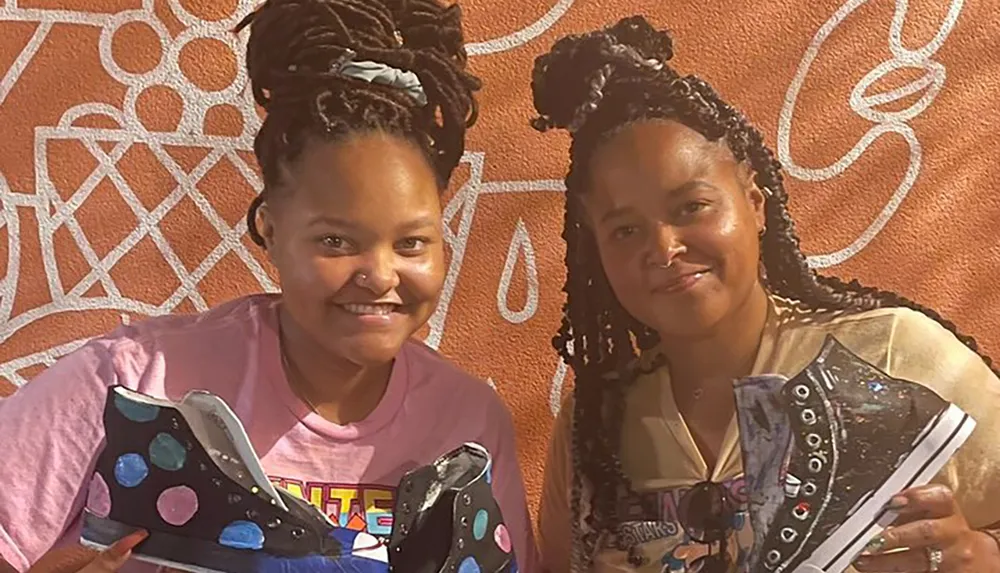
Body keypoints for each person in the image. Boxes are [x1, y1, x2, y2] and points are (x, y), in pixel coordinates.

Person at [0, 0, 538, 571]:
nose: (379, 274)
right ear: (271, 230)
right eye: (335, 241)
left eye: (411, 243)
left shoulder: (469, 428)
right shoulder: (135, 383)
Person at [529, 15, 1000, 573]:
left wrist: (979, 554)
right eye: (625, 230)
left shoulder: (893, 353)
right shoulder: (593, 425)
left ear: (754, 202)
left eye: (691, 207)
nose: (664, 248)